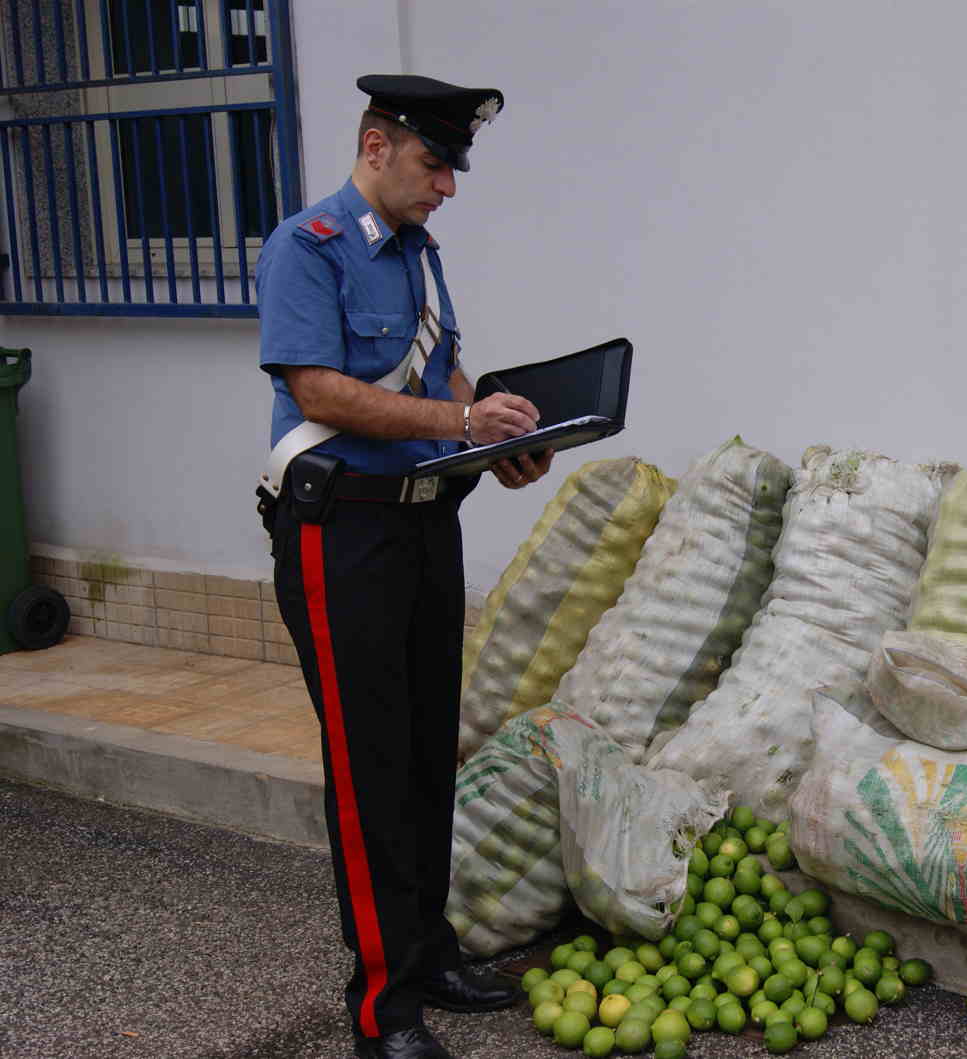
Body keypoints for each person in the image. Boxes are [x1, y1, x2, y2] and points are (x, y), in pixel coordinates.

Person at [257, 74, 551, 1059]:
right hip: (341, 534)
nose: (448, 187)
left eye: (453, 168)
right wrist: (459, 420)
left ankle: (427, 949)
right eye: (434, 164)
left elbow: (444, 377)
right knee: (369, 767)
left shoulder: (422, 257)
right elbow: (323, 390)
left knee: (429, 754)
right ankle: (381, 1009)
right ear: (376, 146)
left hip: (428, 524)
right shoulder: (307, 248)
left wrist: (496, 438)